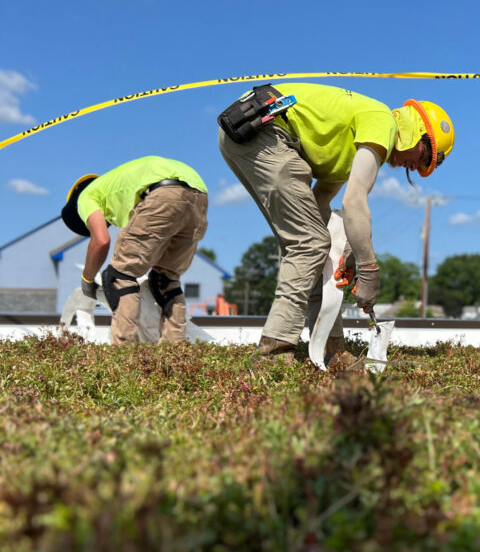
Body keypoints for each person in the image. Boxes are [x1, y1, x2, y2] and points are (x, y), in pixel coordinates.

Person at [218, 82, 455, 367]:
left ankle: (331, 351)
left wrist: (349, 249)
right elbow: (354, 202)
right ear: (418, 134)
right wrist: (369, 270)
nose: (414, 167)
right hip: (264, 130)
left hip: (250, 131)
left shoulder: (351, 148)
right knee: (309, 244)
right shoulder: (383, 122)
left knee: (313, 242)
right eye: (423, 158)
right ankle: (273, 356)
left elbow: (317, 208)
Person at [60, 156, 208, 345]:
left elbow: (101, 241)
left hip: (162, 193)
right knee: (165, 280)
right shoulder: (115, 186)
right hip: (199, 193)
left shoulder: (85, 197)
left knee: (119, 276)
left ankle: (124, 352)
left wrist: (87, 280)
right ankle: (175, 351)